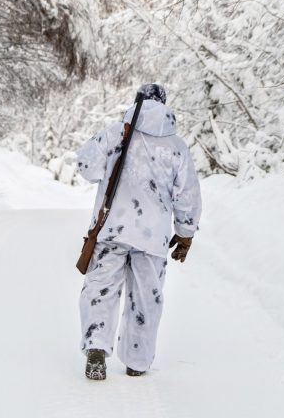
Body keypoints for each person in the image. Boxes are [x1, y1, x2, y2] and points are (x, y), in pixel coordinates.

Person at [76, 83, 202, 380]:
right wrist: (185, 233)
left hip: (111, 230)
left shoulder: (116, 132)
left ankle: (96, 348)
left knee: (101, 289)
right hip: (152, 237)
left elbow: (86, 167)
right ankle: (137, 361)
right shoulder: (176, 146)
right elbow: (188, 194)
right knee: (147, 297)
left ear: (137, 102)